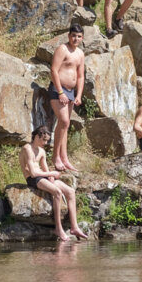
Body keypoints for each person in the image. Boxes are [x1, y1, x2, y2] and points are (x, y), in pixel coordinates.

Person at [19, 126, 88, 241]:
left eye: (47, 140)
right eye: (43, 140)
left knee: (70, 191)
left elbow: (45, 169)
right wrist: (51, 173)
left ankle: (74, 227)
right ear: (36, 136)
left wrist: (50, 176)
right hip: (32, 179)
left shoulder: (41, 151)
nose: (45, 143)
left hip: (42, 176)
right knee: (57, 192)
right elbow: (32, 173)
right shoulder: (27, 149)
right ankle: (58, 228)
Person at [49, 24, 86, 172]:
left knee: (66, 125)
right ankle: (55, 157)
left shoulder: (80, 54)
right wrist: (60, 92)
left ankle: (64, 158)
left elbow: (80, 76)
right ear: (68, 36)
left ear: (82, 38)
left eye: (78, 36)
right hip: (59, 90)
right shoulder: (62, 49)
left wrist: (78, 95)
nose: (75, 38)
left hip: (71, 92)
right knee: (64, 121)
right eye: (73, 35)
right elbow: (54, 70)